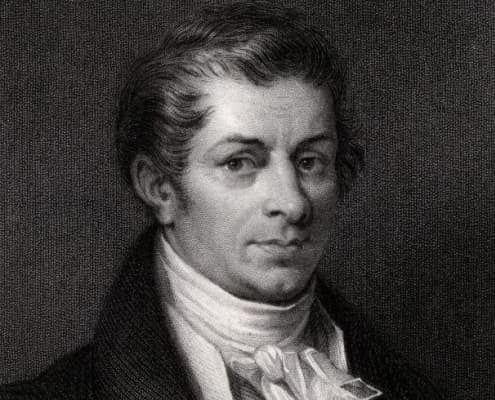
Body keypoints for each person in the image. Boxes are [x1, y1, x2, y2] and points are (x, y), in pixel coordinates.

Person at [0, 2, 444, 399]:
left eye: (310, 162)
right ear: (160, 187)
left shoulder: (405, 387)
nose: (293, 204)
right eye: (239, 163)